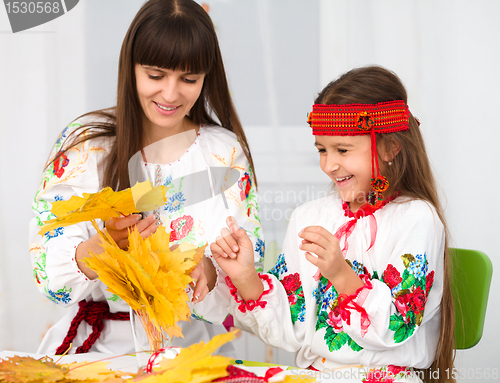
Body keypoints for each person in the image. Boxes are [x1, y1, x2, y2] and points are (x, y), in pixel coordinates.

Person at [29, 0, 263, 356]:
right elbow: (47, 271)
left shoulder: (224, 153)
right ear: (131, 68)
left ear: (206, 77)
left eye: (189, 79)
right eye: (155, 75)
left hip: (192, 354)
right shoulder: (86, 145)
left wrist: (212, 271)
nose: (170, 94)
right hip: (97, 351)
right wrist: (102, 250)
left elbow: (251, 266)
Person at [198, 66, 455, 382]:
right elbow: (293, 330)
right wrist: (247, 277)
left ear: (391, 147)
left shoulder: (416, 219)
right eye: (321, 149)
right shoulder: (309, 217)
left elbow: (395, 328)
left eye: (342, 150)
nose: (329, 165)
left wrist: (341, 275)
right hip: (315, 375)